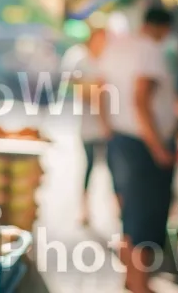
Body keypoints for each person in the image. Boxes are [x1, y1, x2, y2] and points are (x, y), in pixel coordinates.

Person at [96, 7, 178, 293]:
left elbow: (101, 90)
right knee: (145, 216)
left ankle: (132, 278)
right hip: (142, 146)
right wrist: (157, 148)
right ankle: (141, 284)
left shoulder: (118, 47)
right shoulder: (151, 51)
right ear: (163, 28)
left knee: (130, 213)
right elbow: (141, 101)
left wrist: (108, 128)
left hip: (121, 140)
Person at [69, 29, 110, 224]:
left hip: (108, 124)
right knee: (89, 166)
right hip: (89, 125)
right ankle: (84, 208)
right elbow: (83, 90)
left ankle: (116, 207)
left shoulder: (107, 60)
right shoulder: (81, 60)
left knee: (113, 167)